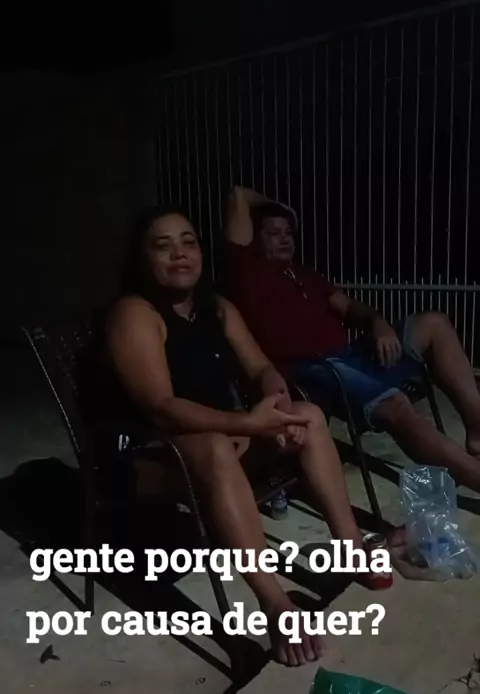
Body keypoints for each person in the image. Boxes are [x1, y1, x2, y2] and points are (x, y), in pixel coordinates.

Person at [106, 205, 391, 667]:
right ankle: (276, 605)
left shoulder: (217, 307)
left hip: (222, 436)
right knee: (216, 448)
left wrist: (276, 402)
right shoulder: (134, 314)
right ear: (142, 258)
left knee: (306, 415)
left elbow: (260, 367)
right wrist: (250, 425)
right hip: (149, 457)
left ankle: (351, 546)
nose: (180, 253)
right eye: (163, 245)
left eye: (188, 242)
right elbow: (162, 407)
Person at [223, 185, 480, 494]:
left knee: (433, 323)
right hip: (314, 369)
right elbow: (238, 195)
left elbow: (348, 306)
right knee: (394, 404)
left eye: (289, 232)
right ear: (254, 239)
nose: (286, 239)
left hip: (351, 354)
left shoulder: (305, 274)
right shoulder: (246, 271)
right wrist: (283, 208)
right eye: (274, 233)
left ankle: (477, 433)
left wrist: (378, 323)